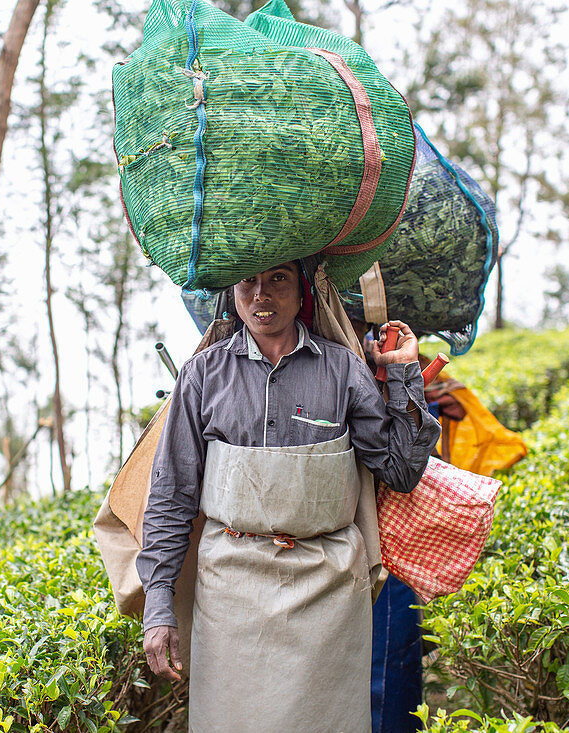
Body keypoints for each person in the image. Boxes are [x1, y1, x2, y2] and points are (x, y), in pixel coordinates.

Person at [136, 260, 441, 731]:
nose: (261, 294)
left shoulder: (342, 370)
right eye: (248, 281)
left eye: (277, 278)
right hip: (228, 594)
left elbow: (400, 470)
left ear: (302, 294)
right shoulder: (203, 375)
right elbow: (171, 496)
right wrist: (158, 605)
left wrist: (401, 372)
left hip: (327, 593)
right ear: (235, 294)